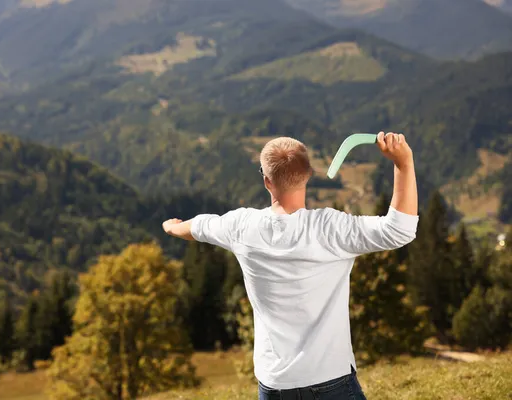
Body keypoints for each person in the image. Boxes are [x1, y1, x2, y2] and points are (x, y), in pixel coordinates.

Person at [162, 132, 418, 400]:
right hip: (331, 379)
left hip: (275, 385)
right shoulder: (330, 229)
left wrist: (173, 227)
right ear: (308, 175)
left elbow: (200, 225)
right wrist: (403, 163)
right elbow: (400, 230)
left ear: (266, 181)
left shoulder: (241, 226)